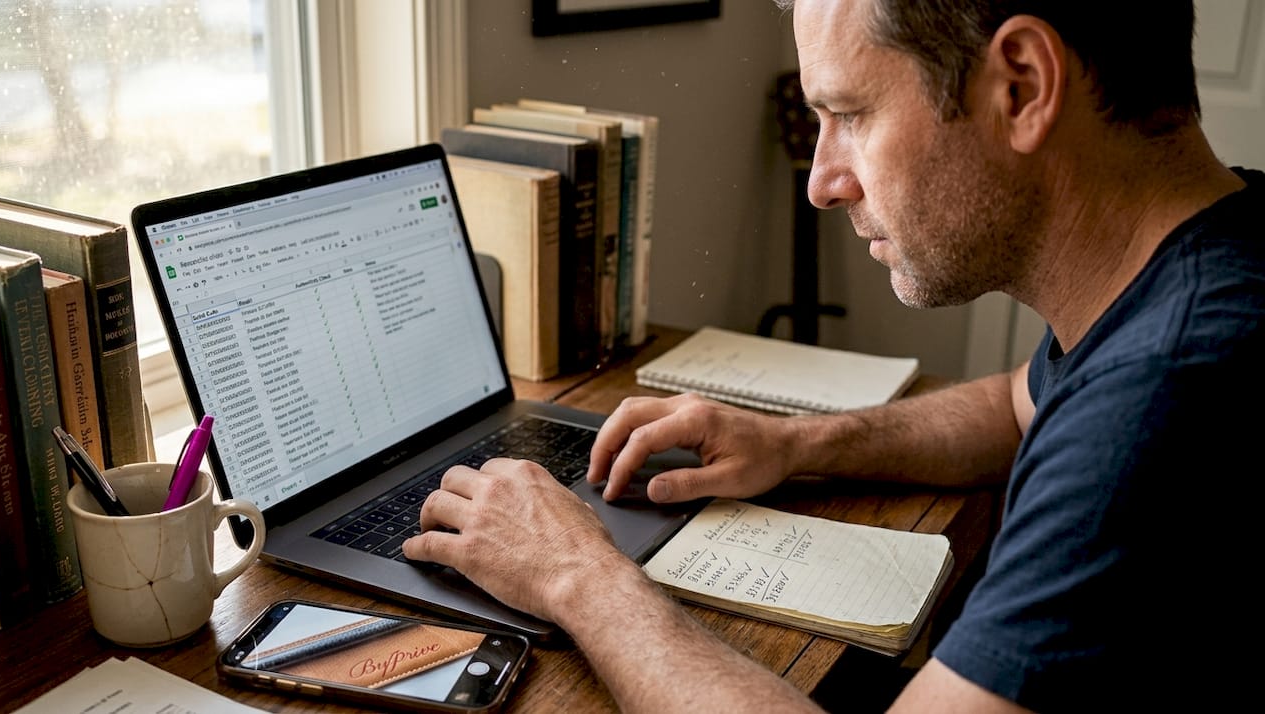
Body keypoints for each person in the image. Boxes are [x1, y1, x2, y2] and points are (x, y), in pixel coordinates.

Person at [405, 0, 1262, 710]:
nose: (822, 180)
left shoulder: (1169, 388)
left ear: (1022, 86)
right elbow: (1019, 403)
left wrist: (576, 576)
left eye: (848, 114)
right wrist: (796, 443)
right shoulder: (1204, 255)